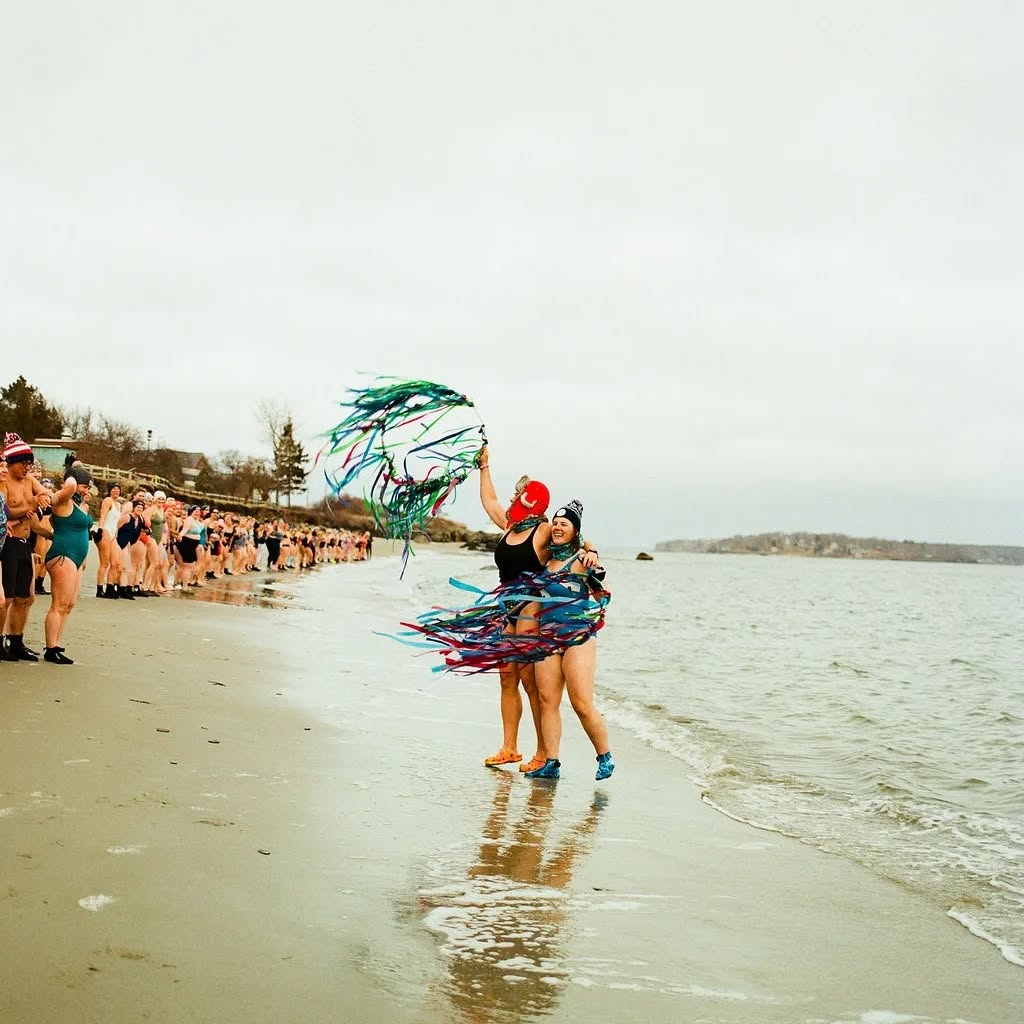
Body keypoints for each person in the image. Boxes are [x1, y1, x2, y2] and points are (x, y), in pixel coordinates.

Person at [476, 447, 600, 774]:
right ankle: (509, 747)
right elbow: (488, 501)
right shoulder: (508, 526)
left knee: (532, 683)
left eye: (518, 495)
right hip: (504, 608)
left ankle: (544, 752)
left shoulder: (543, 529)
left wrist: (592, 551)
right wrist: (484, 467)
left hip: (531, 608)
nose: (512, 498)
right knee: (507, 679)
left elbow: (575, 535)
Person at [525, 499, 614, 781]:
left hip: (577, 637)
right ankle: (551, 763)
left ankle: (605, 756)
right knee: (547, 700)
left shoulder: (582, 560)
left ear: (575, 531)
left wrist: (600, 589)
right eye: (556, 523)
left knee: (580, 703)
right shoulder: (546, 559)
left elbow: (601, 592)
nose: (558, 527)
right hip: (547, 638)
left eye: (564, 524)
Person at [0, 433, 51, 661]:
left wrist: (41, 498)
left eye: (29, 464)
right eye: (23, 464)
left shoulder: (30, 481)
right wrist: (31, 505)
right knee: (7, 597)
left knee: (24, 597)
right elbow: (7, 513)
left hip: (25, 542)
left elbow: (45, 493)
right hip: (8, 544)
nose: (26, 468)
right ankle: (0, 639)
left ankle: (16, 640)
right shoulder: (3, 482)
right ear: (11, 463)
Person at [41, 465, 94, 664]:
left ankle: (57, 643)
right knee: (59, 603)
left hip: (77, 558)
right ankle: (50, 648)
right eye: (84, 486)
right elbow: (70, 486)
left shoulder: (82, 505)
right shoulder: (63, 498)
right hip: (63, 555)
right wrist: (72, 476)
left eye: (88, 488)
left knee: (69, 604)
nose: (86, 491)